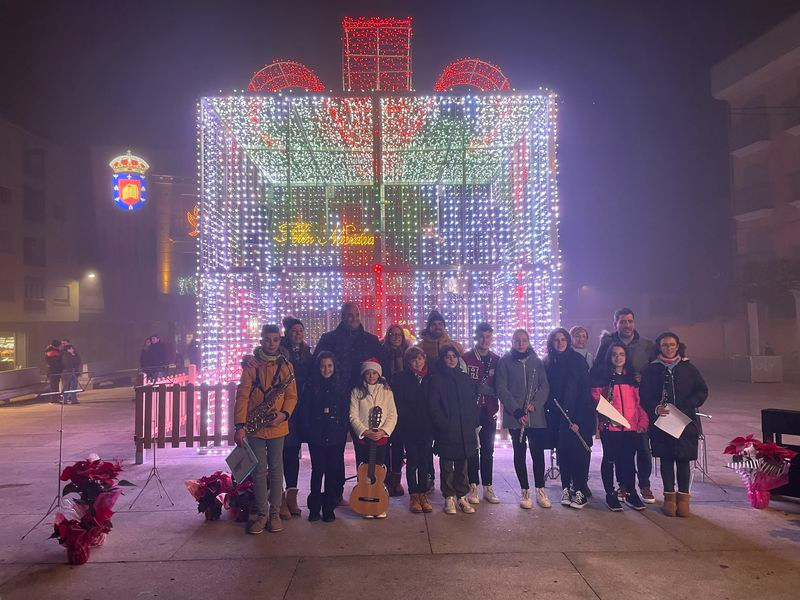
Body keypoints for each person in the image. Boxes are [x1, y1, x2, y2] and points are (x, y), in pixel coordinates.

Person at [234, 324, 298, 535]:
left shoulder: (287, 366)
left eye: (276, 340)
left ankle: (275, 513)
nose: (272, 344)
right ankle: (262, 514)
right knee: (259, 471)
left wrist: (284, 415)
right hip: (255, 427)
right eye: (268, 340)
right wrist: (240, 426)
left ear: (280, 340)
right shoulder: (251, 365)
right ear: (261, 341)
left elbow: (291, 396)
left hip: (277, 426)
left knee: (277, 470)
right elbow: (242, 396)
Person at [640, 332, 709, 518]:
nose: (668, 348)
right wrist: (655, 408)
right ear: (659, 347)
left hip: (684, 421)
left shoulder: (688, 368)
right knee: (667, 459)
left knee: (683, 459)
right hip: (663, 422)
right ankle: (669, 497)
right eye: (665, 345)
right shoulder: (652, 370)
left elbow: (702, 390)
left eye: (672, 345)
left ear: (677, 346)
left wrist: (689, 404)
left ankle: (684, 498)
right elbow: (644, 395)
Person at [592, 308, 656, 504]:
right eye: (622, 321)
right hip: (611, 424)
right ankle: (618, 489)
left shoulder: (646, 345)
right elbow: (597, 386)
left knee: (640, 452)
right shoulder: (607, 344)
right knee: (613, 458)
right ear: (616, 324)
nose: (627, 325)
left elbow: (654, 371)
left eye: (630, 321)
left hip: (633, 419)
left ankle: (641, 486)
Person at [496, 329, 551, 509]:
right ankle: (525, 491)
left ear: (528, 342)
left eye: (524, 340)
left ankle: (540, 490)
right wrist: (517, 411)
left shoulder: (536, 361)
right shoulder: (505, 361)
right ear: (512, 342)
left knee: (537, 453)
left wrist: (535, 404)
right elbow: (501, 388)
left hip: (535, 416)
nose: (521, 344)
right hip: (516, 417)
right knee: (519, 453)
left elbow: (544, 385)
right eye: (517, 340)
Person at [544, 328, 594, 509]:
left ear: (568, 341)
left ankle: (580, 490)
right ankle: (565, 488)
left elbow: (584, 392)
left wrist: (578, 420)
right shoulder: (549, 362)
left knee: (579, 453)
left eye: (563, 339)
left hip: (577, 416)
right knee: (563, 452)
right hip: (558, 416)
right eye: (556, 340)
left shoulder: (577, 360)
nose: (560, 343)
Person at [427, 345, 479, 515]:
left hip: (464, 428)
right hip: (447, 429)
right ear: (442, 359)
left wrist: (473, 422)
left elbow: (472, 402)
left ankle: (461, 496)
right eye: (447, 356)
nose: (451, 359)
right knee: (447, 465)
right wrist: (442, 423)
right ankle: (449, 496)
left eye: (454, 356)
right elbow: (434, 405)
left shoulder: (465, 379)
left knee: (462, 465)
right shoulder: (437, 379)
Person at [301, 351, 349, 523]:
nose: (326, 369)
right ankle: (314, 508)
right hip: (317, 435)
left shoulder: (341, 387)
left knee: (331, 472)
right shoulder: (311, 387)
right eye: (323, 366)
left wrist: (342, 429)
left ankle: (328, 508)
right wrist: (310, 430)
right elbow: (305, 411)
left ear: (334, 367)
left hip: (336, 435)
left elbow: (345, 410)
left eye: (329, 366)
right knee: (317, 470)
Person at [349, 358, 397, 519]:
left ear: (379, 374)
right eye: (368, 373)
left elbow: (392, 415)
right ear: (363, 374)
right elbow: (353, 415)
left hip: (380, 438)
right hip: (364, 439)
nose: (371, 376)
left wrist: (383, 431)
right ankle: (364, 502)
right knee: (363, 470)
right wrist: (364, 431)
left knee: (379, 470)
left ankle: (378, 501)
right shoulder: (356, 391)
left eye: (374, 373)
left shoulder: (386, 391)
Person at [462, 322, 501, 504]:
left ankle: (488, 486)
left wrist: (491, 392)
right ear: (475, 337)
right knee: (472, 448)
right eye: (481, 336)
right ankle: (473, 485)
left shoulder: (496, 359)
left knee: (488, 449)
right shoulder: (466, 358)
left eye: (488, 337)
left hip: (489, 410)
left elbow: (501, 385)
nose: (485, 340)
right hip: (471, 410)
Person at [392, 346, 434, 513]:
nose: (417, 362)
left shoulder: (430, 378)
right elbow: (399, 403)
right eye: (414, 359)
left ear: (425, 360)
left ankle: (423, 493)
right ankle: (414, 494)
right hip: (409, 427)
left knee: (424, 461)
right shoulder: (401, 378)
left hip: (427, 427)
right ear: (408, 362)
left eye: (420, 358)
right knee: (412, 461)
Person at [278, 317, 314, 518]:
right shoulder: (280, 352)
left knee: (293, 453)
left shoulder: (307, 353)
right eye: (294, 331)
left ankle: (292, 495)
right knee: (282, 453)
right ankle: (279, 497)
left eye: (301, 330)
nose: (298, 334)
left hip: (302, 409)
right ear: (287, 333)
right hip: (284, 408)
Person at [379, 324, 410, 497]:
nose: (396, 337)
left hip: (402, 402)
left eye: (399, 334)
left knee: (398, 442)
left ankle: (396, 479)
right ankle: (385, 478)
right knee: (385, 441)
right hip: (384, 400)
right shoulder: (382, 352)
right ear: (388, 335)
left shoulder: (407, 354)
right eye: (393, 334)